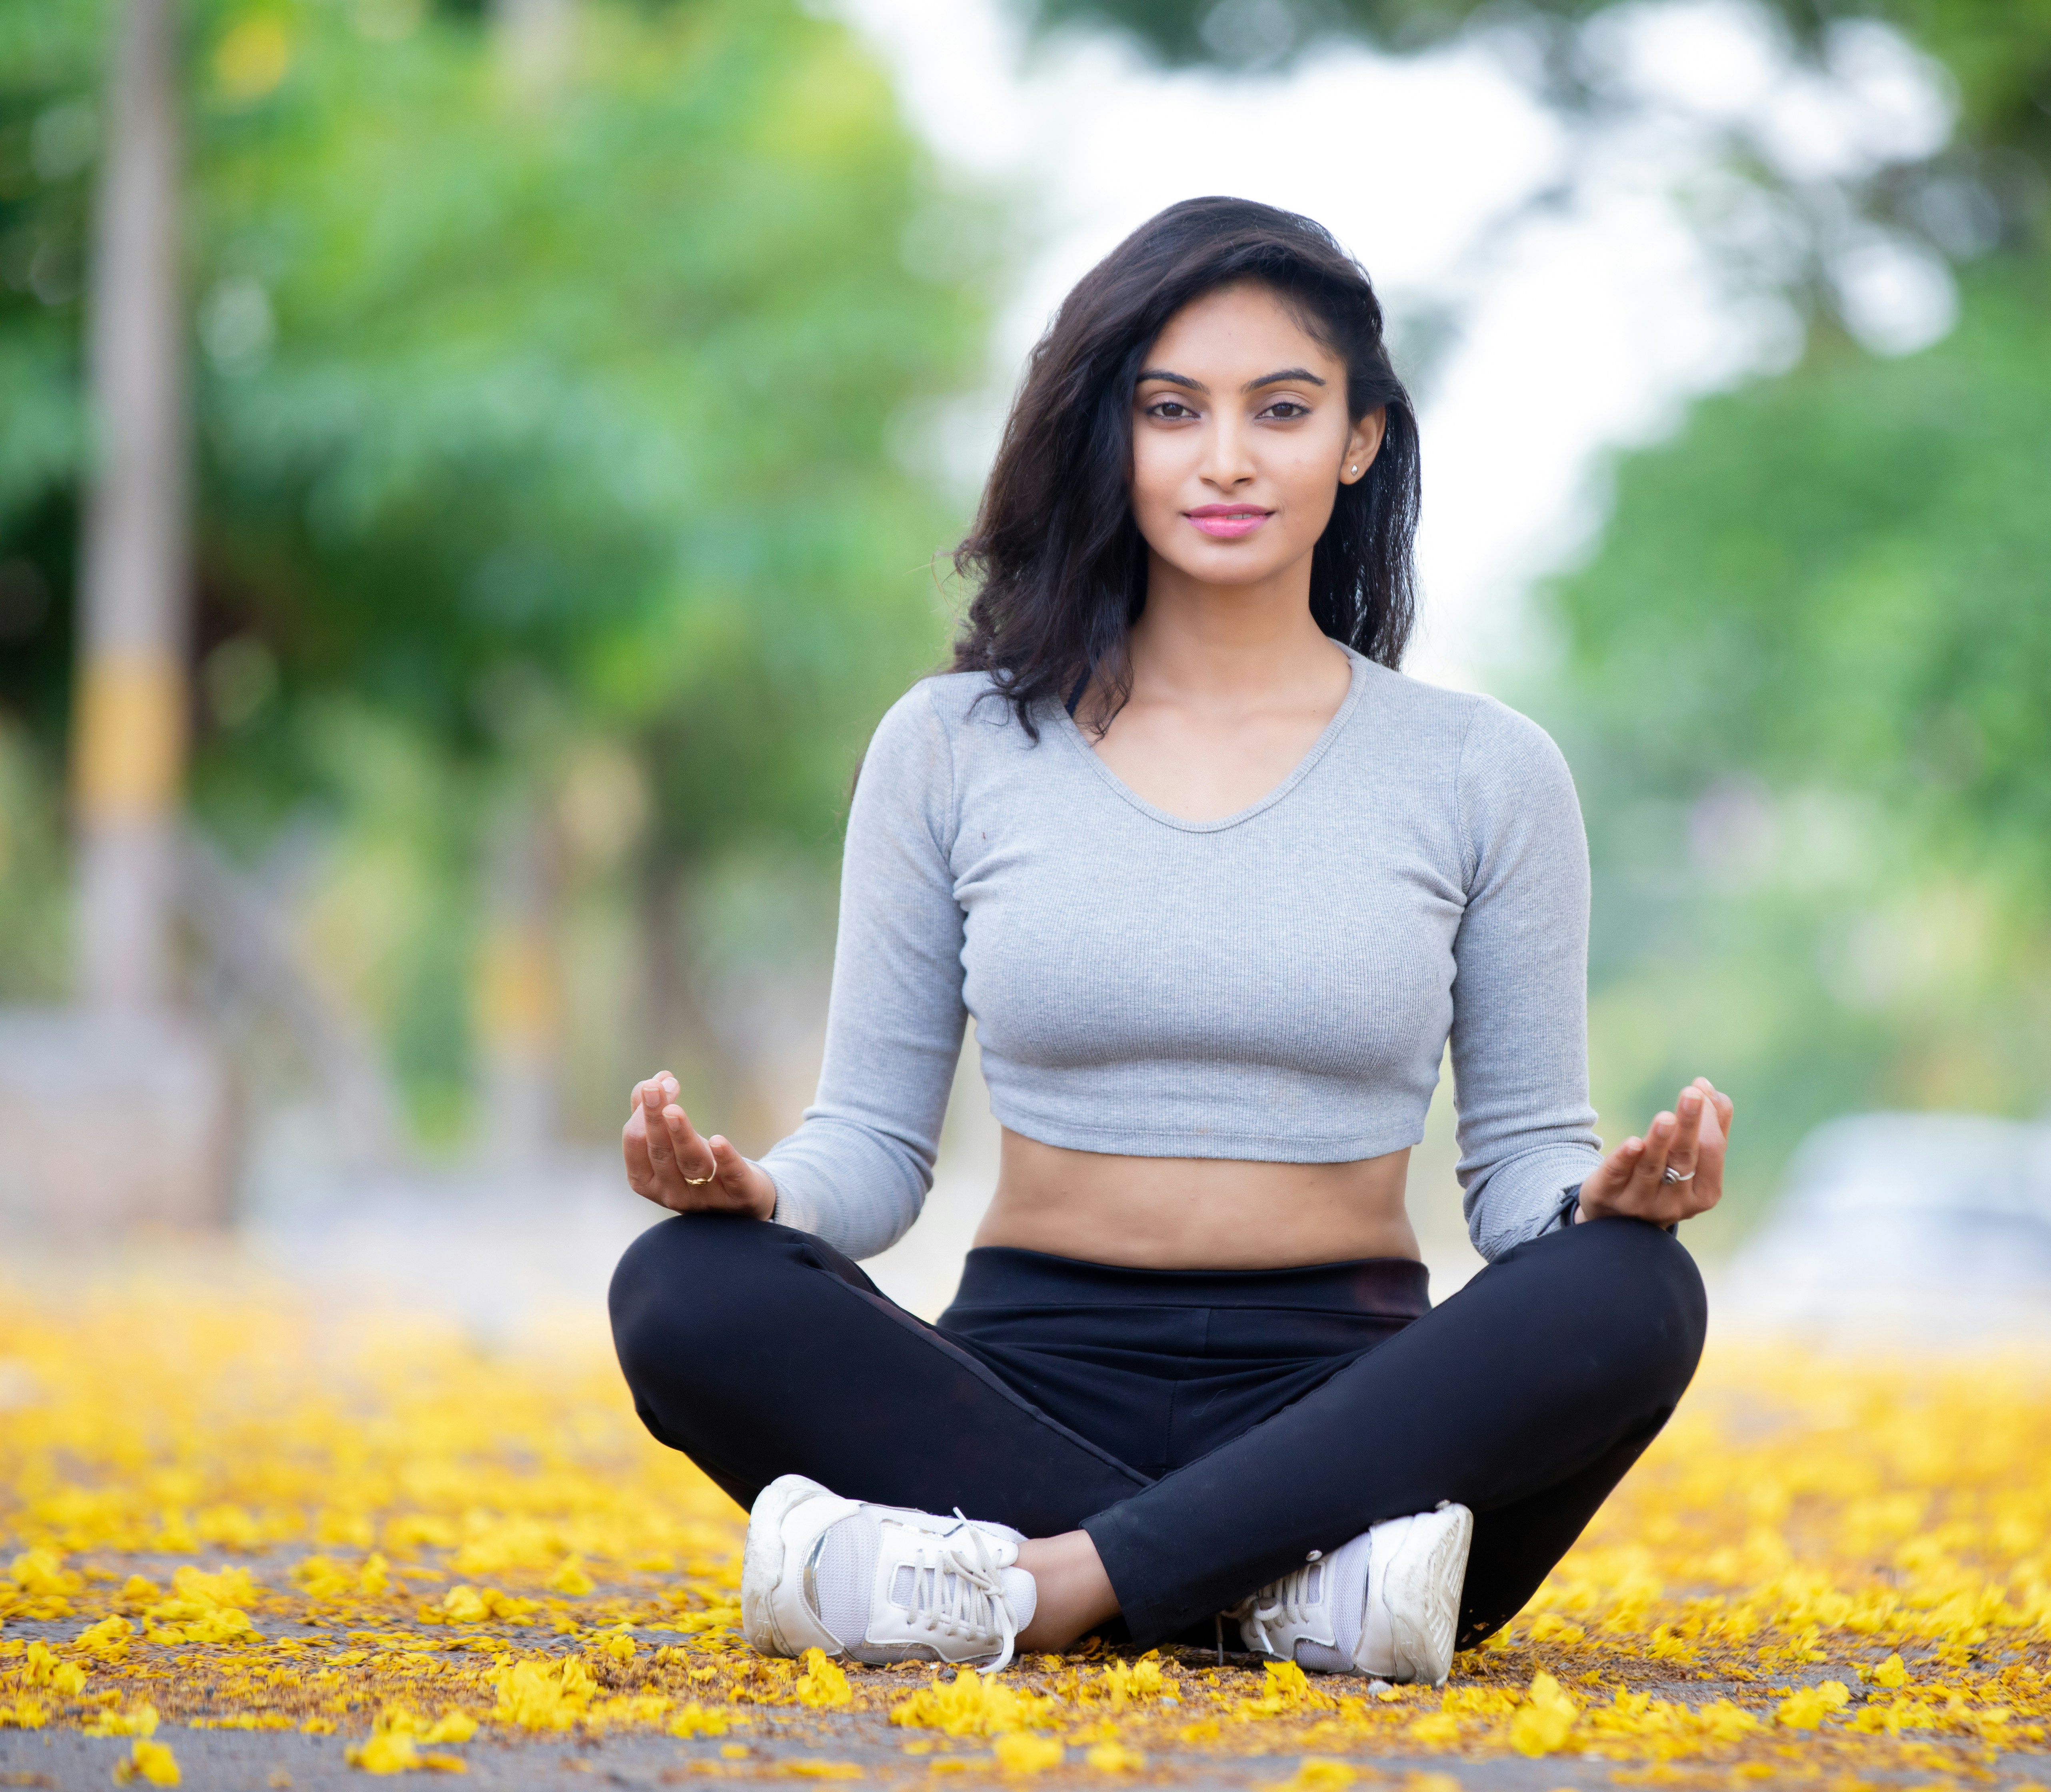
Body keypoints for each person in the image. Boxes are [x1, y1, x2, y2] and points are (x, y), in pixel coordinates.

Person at [606, 196, 1731, 1687]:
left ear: (1361, 438)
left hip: (1359, 1414)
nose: (1223, 459)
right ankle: (1282, 1601)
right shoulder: (953, 745)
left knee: (1635, 1295)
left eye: (1279, 410)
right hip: (1016, 1389)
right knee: (685, 1284)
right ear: (1109, 435)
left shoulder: (1483, 770)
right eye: (1170, 410)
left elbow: (1521, 1172)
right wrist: (764, 1191)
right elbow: (872, 1146)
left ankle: (1037, 1586)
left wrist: (1605, 1204)